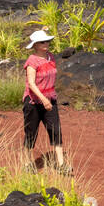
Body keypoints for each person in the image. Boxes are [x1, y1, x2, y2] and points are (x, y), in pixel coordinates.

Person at [23, 29, 68, 173]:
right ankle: (27, 163)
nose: (46, 43)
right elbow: (31, 83)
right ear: (35, 45)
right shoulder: (32, 61)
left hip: (50, 100)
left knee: (55, 130)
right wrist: (43, 100)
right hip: (34, 102)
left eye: (47, 41)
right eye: (42, 42)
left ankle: (61, 165)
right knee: (31, 132)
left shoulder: (51, 57)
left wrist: (49, 99)